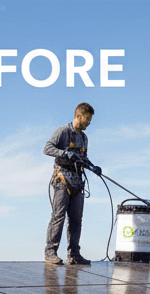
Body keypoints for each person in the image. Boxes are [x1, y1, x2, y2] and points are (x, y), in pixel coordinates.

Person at [43, 103, 101, 266]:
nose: (89, 123)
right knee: (58, 216)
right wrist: (65, 153)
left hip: (78, 182)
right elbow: (47, 148)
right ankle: (50, 253)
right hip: (62, 180)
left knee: (76, 219)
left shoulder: (84, 138)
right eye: (87, 119)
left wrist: (92, 166)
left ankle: (74, 255)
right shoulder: (62, 131)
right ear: (78, 116)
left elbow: (84, 157)